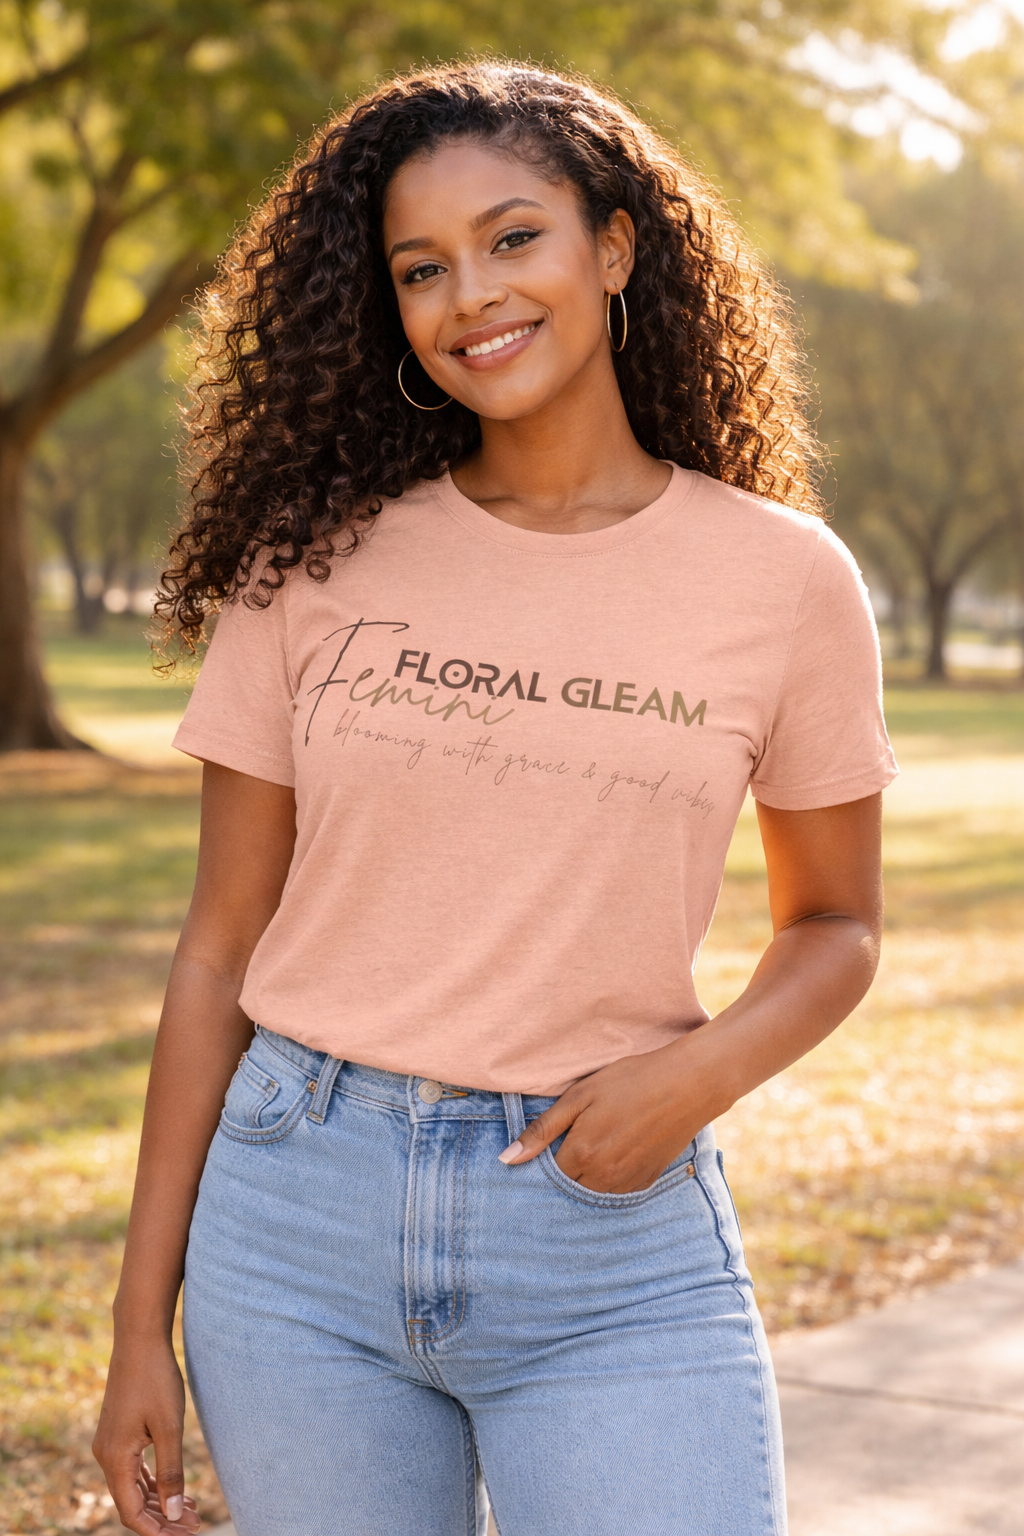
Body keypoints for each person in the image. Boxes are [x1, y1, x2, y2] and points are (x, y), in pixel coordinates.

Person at [93, 61, 897, 1536]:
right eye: (422, 268)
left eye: (513, 238)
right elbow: (219, 947)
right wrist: (141, 1320)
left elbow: (837, 923)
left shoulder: (784, 582)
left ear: (616, 247)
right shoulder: (313, 558)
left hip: (607, 1236)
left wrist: (693, 1078)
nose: (472, 294)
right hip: (296, 1224)